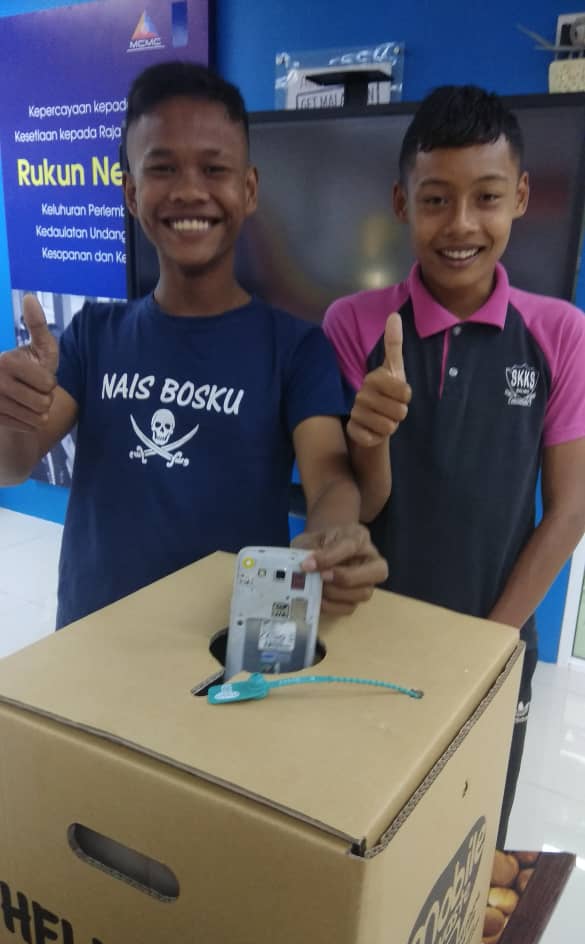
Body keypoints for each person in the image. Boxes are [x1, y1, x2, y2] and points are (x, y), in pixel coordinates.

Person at [0, 61, 387, 629]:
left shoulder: (295, 349)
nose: (188, 190)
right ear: (131, 193)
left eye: (214, 168)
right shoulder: (93, 334)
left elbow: (329, 477)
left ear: (248, 189)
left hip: (230, 642)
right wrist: (10, 414)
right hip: (93, 641)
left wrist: (332, 537)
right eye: (162, 168)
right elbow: (12, 465)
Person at [324, 85, 585, 848]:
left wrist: (489, 647)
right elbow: (354, 506)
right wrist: (369, 438)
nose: (461, 224)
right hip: (368, 635)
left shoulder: (560, 333)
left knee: (470, 831)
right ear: (401, 203)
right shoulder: (352, 324)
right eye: (436, 199)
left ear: (520, 198)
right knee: (363, 826)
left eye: (486, 198)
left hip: (494, 639)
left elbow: (569, 508)